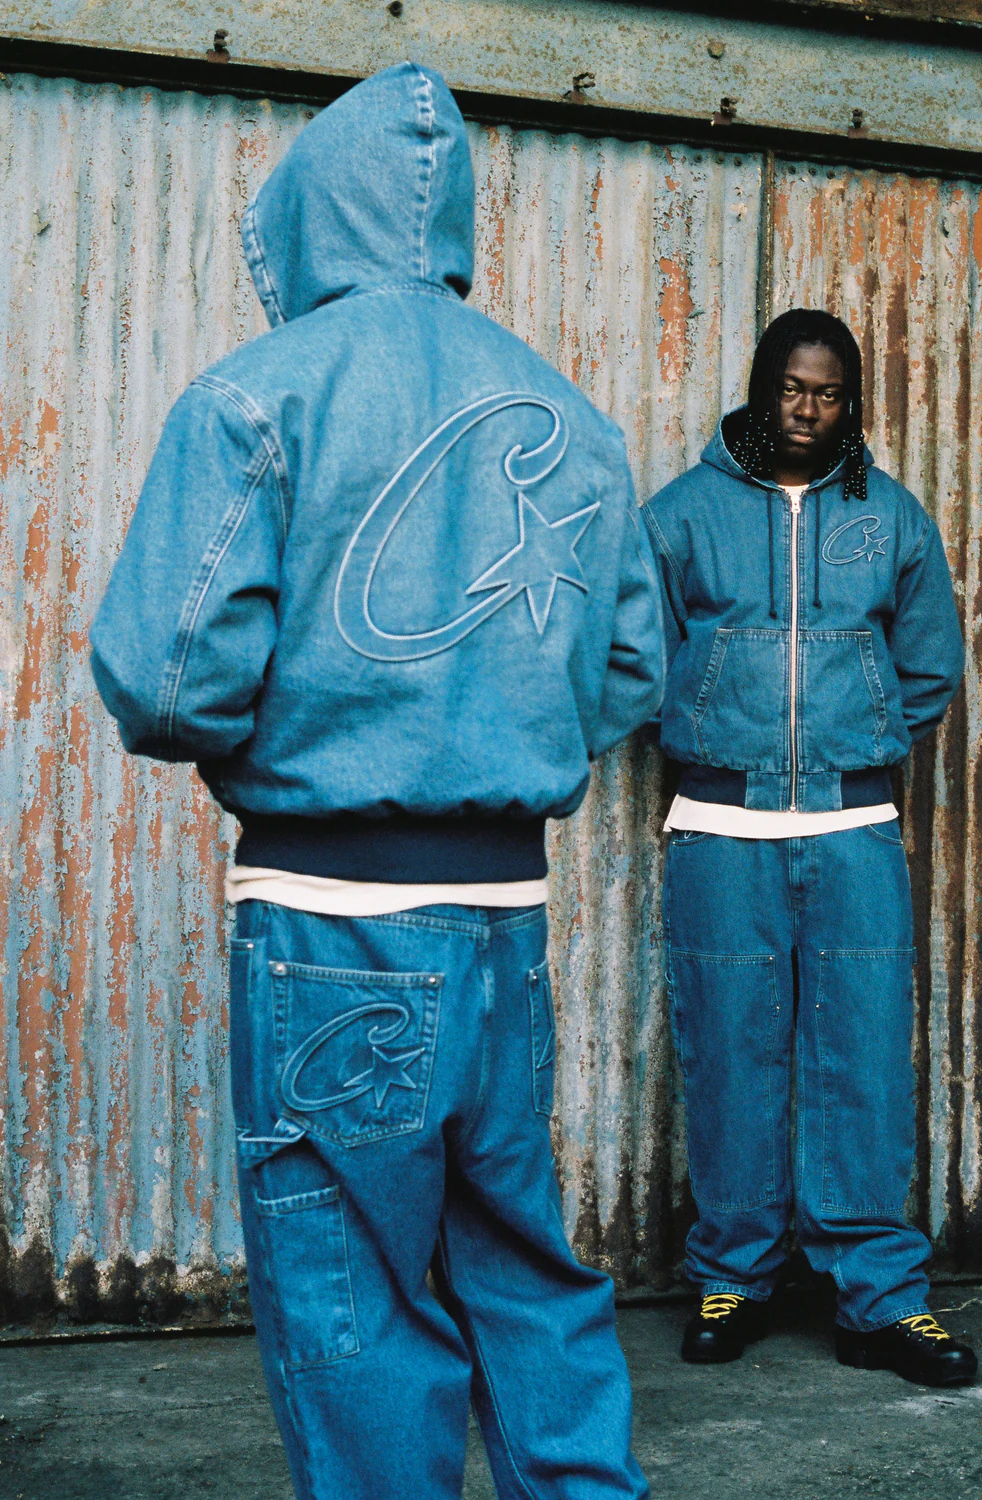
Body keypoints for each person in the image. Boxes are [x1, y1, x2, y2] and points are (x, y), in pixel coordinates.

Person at [90, 63, 663, 1500]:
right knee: (523, 1261)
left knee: (353, 1293)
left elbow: (167, 680)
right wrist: (497, 736)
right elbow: (631, 674)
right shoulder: (568, 410)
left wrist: (309, 736)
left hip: (331, 919)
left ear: (306, 218)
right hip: (506, 922)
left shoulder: (255, 397)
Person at [641, 308, 975, 1387]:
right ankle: (732, 1274)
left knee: (863, 1062)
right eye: (792, 387)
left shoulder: (891, 517)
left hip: (851, 828)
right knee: (729, 1055)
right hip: (721, 828)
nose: (807, 409)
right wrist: (708, 726)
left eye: (828, 394)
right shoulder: (682, 515)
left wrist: (853, 743)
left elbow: (927, 666)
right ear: (761, 387)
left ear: (849, 405)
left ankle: (879, 1298)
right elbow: (636, 656)